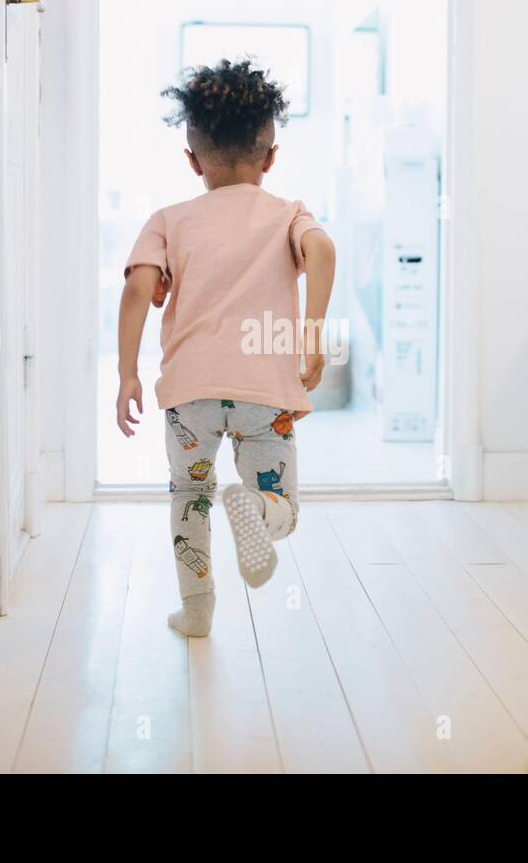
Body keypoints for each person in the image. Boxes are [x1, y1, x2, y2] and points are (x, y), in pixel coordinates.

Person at [117, 59, 336, 638]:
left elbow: (139, 288)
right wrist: (311, 339)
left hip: (190, 395)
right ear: (271, 156)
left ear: (192, 160)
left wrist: (127, 374)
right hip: (266, 394)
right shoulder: (289, 213)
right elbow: (324, 252)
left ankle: (196, 610)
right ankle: (259, 513)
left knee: (190, 496)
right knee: (283, 506)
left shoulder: (169, 219)